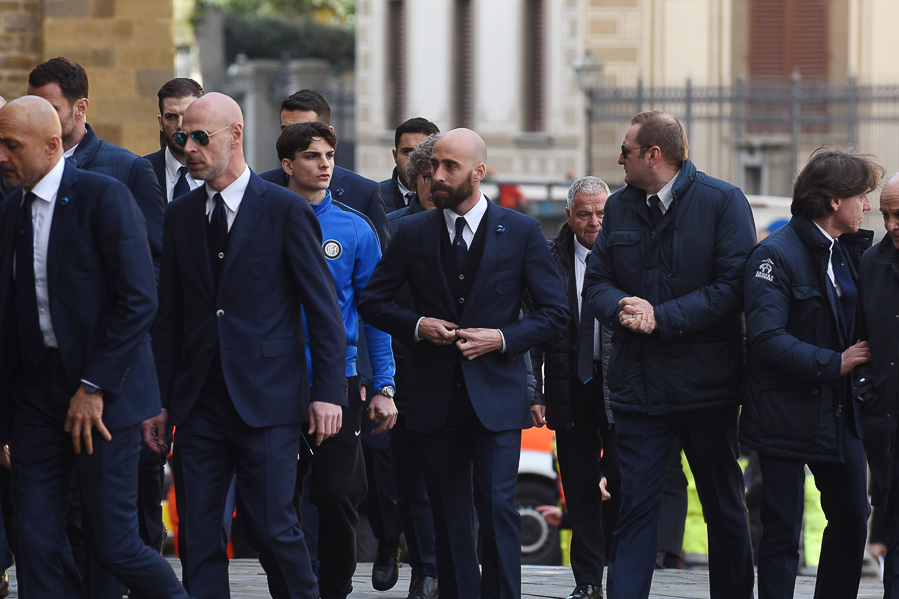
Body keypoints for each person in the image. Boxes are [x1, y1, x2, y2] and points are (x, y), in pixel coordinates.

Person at [147, 92, 347, 599]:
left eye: (198, 137)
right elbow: (169, 317)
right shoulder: (181, 214)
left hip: (269, 400)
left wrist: (327, 393)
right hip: (198, 404)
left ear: (235, 136)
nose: (186, 147)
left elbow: (323, 310)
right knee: (197, 531)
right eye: (179, 137)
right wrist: (160, 402)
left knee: (274, 528)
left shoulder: (283, 209)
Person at [359, 128, 569, 599]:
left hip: (496, 395)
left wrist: (501, 338)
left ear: (478, 172)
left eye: (449, 166)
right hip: (434, 397)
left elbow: (555, 313)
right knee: (448, 513)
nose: (436, 175)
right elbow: (372, 302)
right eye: (433, 166)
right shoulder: (412, 232)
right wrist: (417, 326)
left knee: (496, 507)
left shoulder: (520, 231)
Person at [0, 95, 189, 598]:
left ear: (50, 145)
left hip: (107, 392)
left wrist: (94, 385)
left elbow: (138, 300)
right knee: (34, 538)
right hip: (37, 397)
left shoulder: (102, 197)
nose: (0, 155)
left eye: (10, 144)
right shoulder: (10, 212)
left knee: (115, 543)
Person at [583, 110, 756, 599]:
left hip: (707, 389)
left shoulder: (723, 202)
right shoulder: (618, 207)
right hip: (639, 390)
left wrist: (663, 316)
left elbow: (733, 289)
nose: (618, 159)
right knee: (635, 508)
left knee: (723, 504)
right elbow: (595, 283)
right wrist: (621, 308)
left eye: (626, 151)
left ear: (653, 155)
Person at [740, 145, 880, 599]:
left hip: (840, 413)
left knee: (852, 518)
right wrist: (833, 362)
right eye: (863, 195)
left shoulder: (851, 253)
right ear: (835, 201)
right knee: (781, 530)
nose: (869, 205)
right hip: (783, 413)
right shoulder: (774, 255)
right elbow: (764, 338)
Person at [275, 121, 398, 599]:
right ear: (288, 165)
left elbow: (376, 314)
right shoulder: (264, 219)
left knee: (338, 494)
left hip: (339, 381)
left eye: (329, 155)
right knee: (278, 498)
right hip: (274, 382)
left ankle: (334, 588)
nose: (325, 164)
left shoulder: (354, 227)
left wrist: (384, 385)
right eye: (312, 156)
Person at [528, 176, 616, 599]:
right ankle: (587, 582)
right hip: (570, 384)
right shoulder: (546, 259)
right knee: (579, 487)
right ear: (568, 216)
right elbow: (534, 333)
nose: (595, 221)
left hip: (621, 387)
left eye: (602, 213)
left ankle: (621, 572)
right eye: (585, 214)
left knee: (622, 482)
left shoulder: (628, 255)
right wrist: (535, 392)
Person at [27, 57, 165, 270]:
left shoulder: (131, 170)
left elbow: (156, 261)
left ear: (80, 108)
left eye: (50, 110)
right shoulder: (19, 168)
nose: (38, 120)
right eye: (32, 110)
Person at [381, 133, 442, 599]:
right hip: (404, 369)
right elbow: (375, 301)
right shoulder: (395, 228)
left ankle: (448, 565)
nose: (432, 183)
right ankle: (424, 566)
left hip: (460, 373)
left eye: (438, 174)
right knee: (411, 480)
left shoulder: (481, 229)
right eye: (423, 175)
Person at [259, 89, 388, 247]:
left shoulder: (364, 193)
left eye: (304, 130)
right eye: (286, 130)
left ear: (329, 133)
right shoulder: (261, 189)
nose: (292, 138)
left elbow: (378, 265)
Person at [858, 173, 899, 597]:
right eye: (885, 214)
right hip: (887, 423)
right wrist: (867, 387)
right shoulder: (871, 263)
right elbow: (857, 334)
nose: (890, 225)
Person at [144, 78, 205, 203]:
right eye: (171, 117)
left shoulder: (222, 174)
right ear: (161, 123)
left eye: (188, 115)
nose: (180, 125)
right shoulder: (141, 172)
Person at [379, 117, 440, 213]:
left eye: (421, 153)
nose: (413, 160)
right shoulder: (375, 197)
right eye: (407, 152)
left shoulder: (447, 196)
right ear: (395, 156)